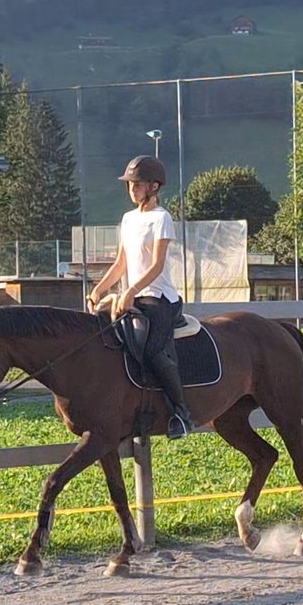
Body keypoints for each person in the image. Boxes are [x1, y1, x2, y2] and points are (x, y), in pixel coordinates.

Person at [87, 155, 193, 439]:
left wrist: (131, 291)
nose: (132, 188)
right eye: (130, 183)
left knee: (153, 350)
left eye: (138, 183)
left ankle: (181, 414)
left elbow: (157, 265)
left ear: (154, 187)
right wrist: (100, 289)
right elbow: (121, 263)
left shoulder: (162, 219)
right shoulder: (128, 219)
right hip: (130, 297)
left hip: (158, 299)